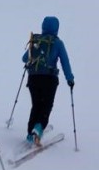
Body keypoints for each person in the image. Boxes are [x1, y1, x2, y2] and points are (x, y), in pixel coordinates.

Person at [22, 16, 74, 145]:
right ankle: (38, 129)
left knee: (36, 105)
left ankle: (30, 133)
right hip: (49, 79)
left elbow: (24, 58)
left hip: (33, 78)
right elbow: (65, 62)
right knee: (46, 105)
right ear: (57, 28)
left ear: (43, 27)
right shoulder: (57, 43)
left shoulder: (36, 41)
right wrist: (70, 79)